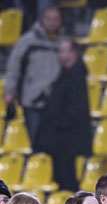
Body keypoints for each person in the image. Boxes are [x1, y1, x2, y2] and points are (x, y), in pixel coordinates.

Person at [35, 39, 92, 192]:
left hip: (67, 136)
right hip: (61, 136)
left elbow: (75, 107)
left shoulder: (75, 76)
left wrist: (57, 123)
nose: (59, 54)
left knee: (67, 178)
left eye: (63, 51)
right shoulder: (66, 74)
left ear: (73, 53)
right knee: (62, 176)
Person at [3, 6, 64, 145]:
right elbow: (14, 68)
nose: (52, 23)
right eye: (49, 19)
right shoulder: (27, 41)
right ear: (42, 20)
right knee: (37, 143)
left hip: (56, 102)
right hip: (32, 100)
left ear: (60, 21)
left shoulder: (64, 44)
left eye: (56, 19)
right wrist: (10, 92)